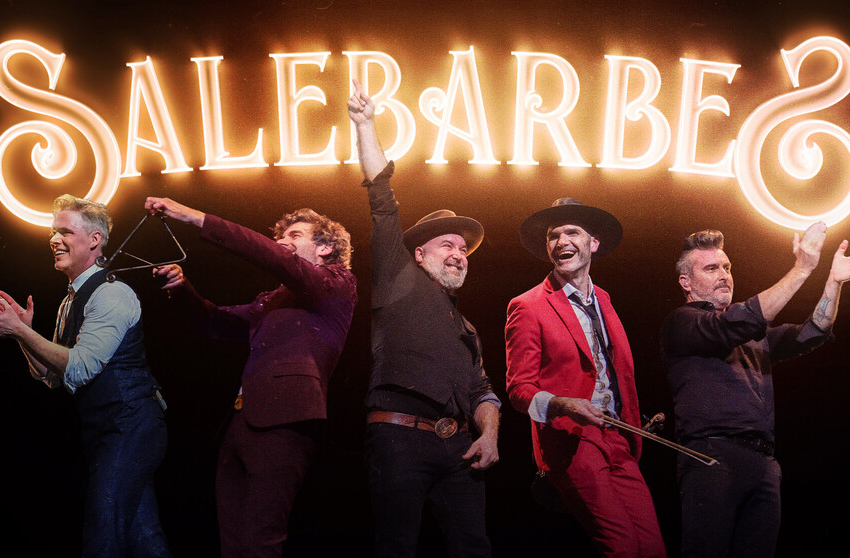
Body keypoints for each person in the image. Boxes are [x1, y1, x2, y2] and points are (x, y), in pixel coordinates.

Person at [145, 198, 356, 558]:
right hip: (242, 422)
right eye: (281, 237)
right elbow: (214, 322)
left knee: (261, 540)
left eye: (295, 235)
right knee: (233, 543)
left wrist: (194, 217)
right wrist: (181, 289)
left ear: (324, 248)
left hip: (287, 419)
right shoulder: (272, 301)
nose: (282, 242)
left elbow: (270, 255)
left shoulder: (337, 283)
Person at [348, 80, 501, 558]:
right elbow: (382, 202)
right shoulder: (398, 278)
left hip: (459, 448)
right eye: (446, 245)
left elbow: (482, 391)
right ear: (418, 254)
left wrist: (490, 434)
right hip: (399, 438)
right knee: (396, 547)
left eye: (463, 249)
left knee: (474, 548)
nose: (458, 253)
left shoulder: (467, 328)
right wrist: (365, 126)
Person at [660, 224, 850, 558]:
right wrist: (802, 269)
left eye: (727, 267)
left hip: (763, 464)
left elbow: (813, 332)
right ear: (686, 282)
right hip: (712, 456)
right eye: (711, 268)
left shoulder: (753, 334)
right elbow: (741, 321)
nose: (724, 275)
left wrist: (834, 282)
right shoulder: (683, 322)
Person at [0, 194, 171, 558]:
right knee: (145, 542)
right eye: (53, 232)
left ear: (94, 240)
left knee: (102, 540)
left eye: (65, 231)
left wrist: (19, 331)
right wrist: (22, 333)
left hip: (131, 427)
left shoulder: (111, 294)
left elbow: (79, 368)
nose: (54, 239)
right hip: (108, 430)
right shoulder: (71, 300)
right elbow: (50, 375)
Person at [504, 198, 666, 558]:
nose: (562, 241)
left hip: (619, 437)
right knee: (623, 547)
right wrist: (564, 404)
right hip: (574, 442)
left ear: (593, 243)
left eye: (572, 232)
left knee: (653, 548)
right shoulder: (528, 306)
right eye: (553, 235)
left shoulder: (604, 299)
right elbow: (518, 389)